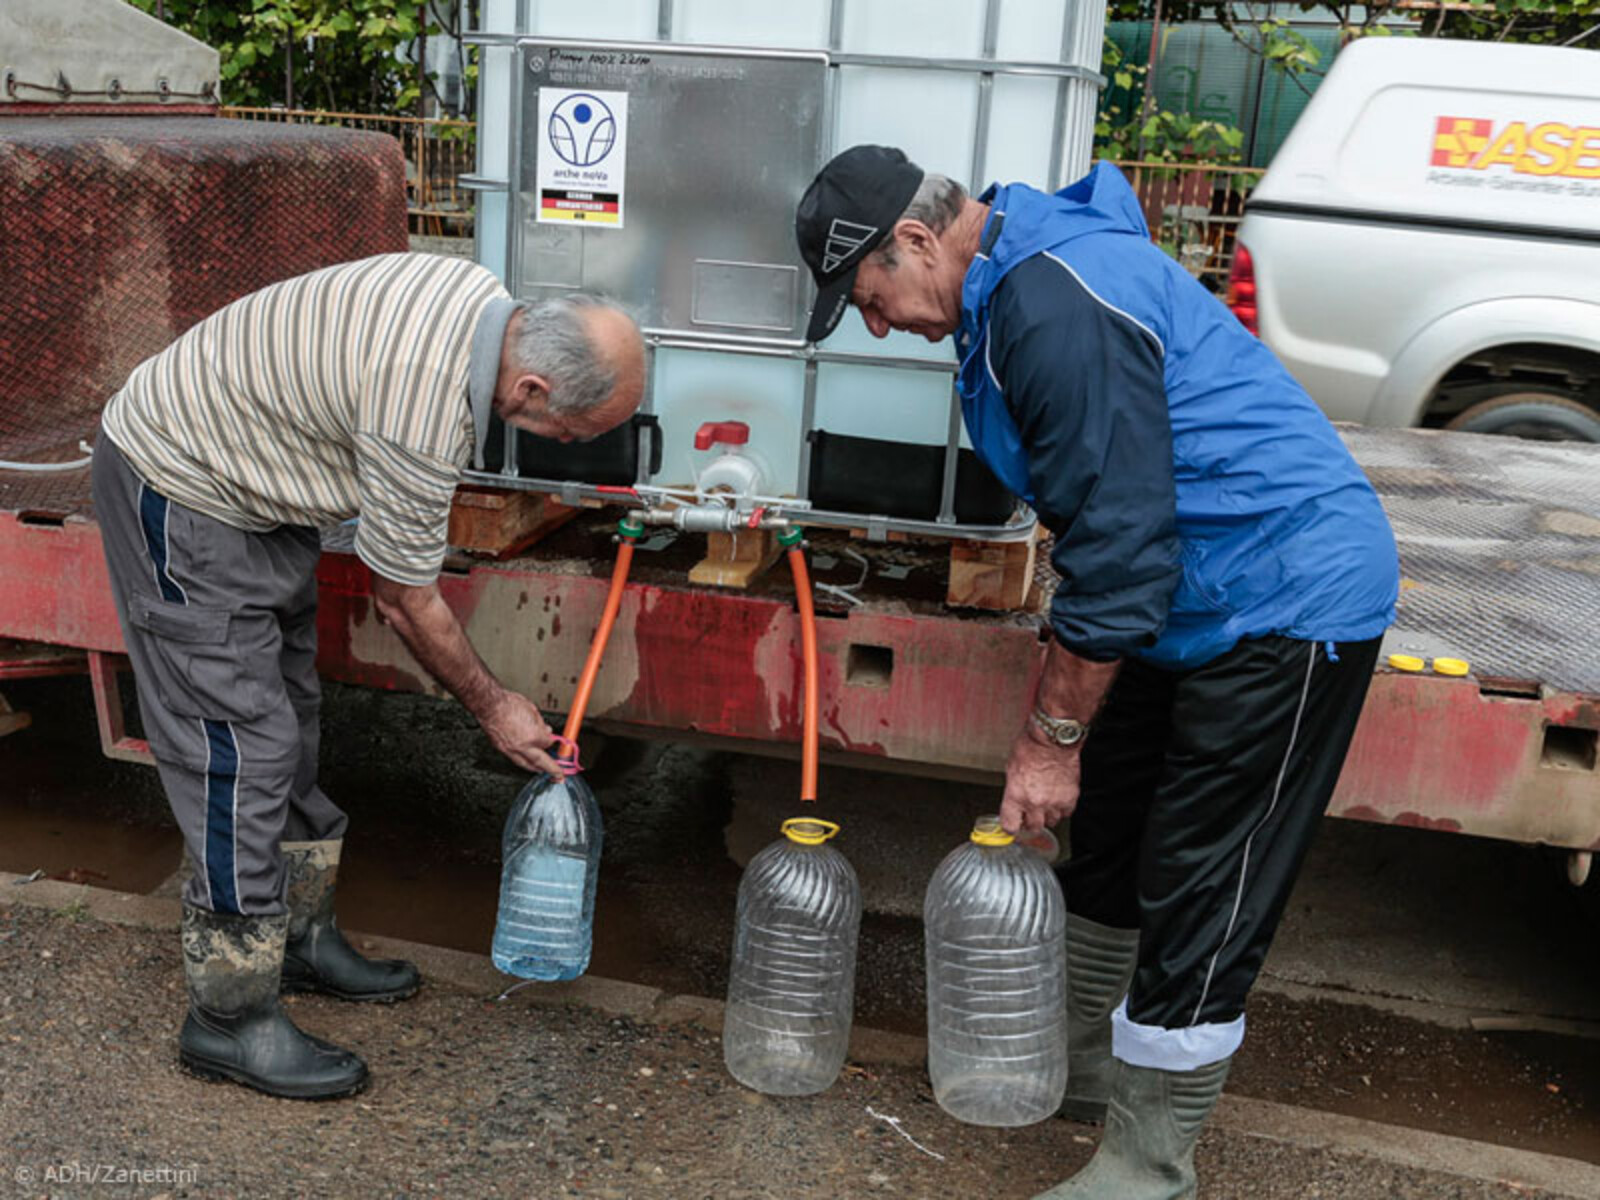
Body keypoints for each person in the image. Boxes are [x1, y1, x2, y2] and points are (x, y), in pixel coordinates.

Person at [795, 147, 1398, 1198]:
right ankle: (1081, 1064)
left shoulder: (1052, 299)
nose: (879, 325)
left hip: (1284, 593)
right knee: (1112, 834)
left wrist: (1049, 738)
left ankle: (1147, 1161)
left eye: (870, 298)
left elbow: (1119, 545)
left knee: (1206, 875)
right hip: (1184, 594)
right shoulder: (1010, 286)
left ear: (918, 239)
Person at [92, 252, 645, 1101]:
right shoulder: (420, 411)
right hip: (180, 482)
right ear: (531, 388)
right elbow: (404, 601)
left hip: (257, 483)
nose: (559, 449)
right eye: (566, 433)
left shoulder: (480, 298)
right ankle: (229, 1016)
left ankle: (302, 939)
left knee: (292, 723)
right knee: (239, 751)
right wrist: (496, 709)